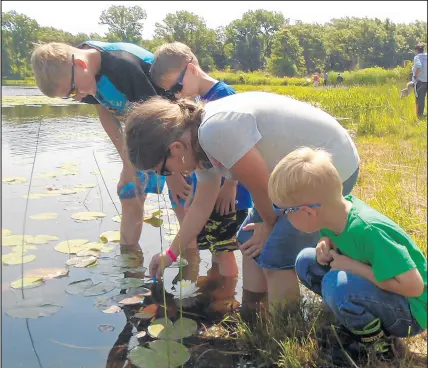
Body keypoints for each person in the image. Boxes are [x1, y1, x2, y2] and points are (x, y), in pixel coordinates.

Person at [124, 91, 361, 309]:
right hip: (288, 176)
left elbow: (260, 185)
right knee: (248, 238)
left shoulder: (214, 131)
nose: (171, 176)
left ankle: (284, 330)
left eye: (164, 171)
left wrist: (269, 225)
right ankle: (253, 310)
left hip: (331, 168)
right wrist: (171, 255)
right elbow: (201, 207)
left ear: (175, 148)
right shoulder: (196, 144)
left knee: (275, 251)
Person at [30, 41, 192, 252]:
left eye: (73, 90)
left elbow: (162, 120)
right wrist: (128, 163)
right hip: (143, 132)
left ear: (79, 63)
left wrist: (173, 175)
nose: (78, 96)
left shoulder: (123, 66)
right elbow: (105, 112)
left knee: (181, 199)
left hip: (176, 130)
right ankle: (129, 263)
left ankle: (190, 259)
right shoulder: (83, 73)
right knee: (130, 191)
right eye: (69, 96)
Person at [269, 147, 426, 360]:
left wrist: (353, 268)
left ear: (307, 212)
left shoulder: (369, 230)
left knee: (337, 284)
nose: (283, 217)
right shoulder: (336, 212)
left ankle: (381, 345)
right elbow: (331, 235)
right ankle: (355, 320)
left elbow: (413, 286)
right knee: (306, 261)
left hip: (411, 312)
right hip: (385, 292)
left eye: (284, 211)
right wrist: (325, 243)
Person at [149, 42, 253, 277]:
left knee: (224, 248)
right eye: (170, 93)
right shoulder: (199, 101)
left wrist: (231, 184)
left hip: (231, 194)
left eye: (177, 86)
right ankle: (217, 283)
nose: (177, 95)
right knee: (216, 246)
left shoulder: (223, 96)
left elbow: (238, 147)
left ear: (192, 68)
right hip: (213, 191)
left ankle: (225, 292)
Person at [413, 42, 427, 118]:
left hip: (421, 81)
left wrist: (415, 76)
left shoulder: (417, 57)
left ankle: (420, 115)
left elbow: (419, 66)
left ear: (417, 50)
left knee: (420, 98)